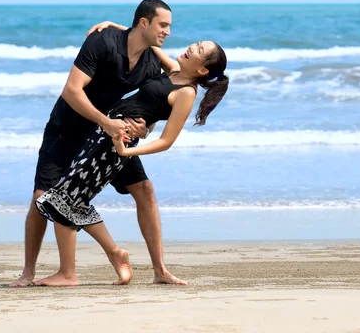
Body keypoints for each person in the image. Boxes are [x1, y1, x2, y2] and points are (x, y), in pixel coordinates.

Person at [33, 21, 229, 286]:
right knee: (67, 199)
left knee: (64, 199)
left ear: (203, 68)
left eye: (199, 50)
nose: (191, 47)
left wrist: (127, 149)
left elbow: (167, 140)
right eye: (195, 44)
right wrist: (113, 25)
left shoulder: (185, 93)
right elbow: (142, 37)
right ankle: (112, 256)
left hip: (114, 141)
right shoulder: (173, 71)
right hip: (106, 132)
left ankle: (79, 269)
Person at [10, 0, 187, 287]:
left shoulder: (152, 62)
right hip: (67, 129)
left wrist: (144, 130)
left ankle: (160, 270)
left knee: (145, 189)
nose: (168, 31)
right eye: (163, 25)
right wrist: (104, 121)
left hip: (109, 139)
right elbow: (71, 90)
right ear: (144, 23)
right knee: (41, 197)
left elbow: (150, 106)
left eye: (169, 26)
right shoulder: (102, 42)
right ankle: (28, 272)